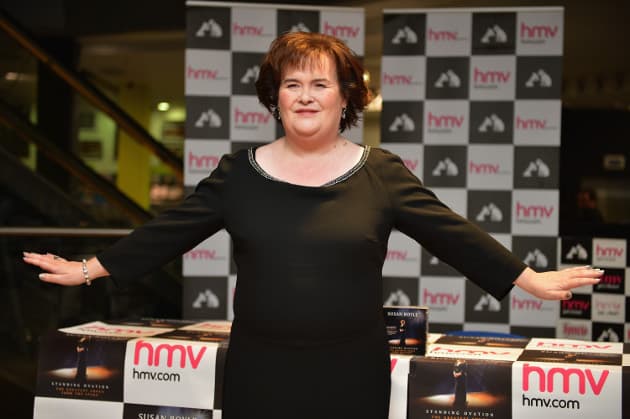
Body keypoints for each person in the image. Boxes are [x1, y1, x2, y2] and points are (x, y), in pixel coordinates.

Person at [23, 32, 603, 418]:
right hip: (259, 369)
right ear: (275, 97)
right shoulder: (238, 174)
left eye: (320, 84)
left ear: (345, 97)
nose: (305, 96)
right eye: (292, 84)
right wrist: (87, 269)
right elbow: (168, 232)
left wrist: (529, 279)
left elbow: (452, 234)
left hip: (351, 370)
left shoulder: (380, 172)